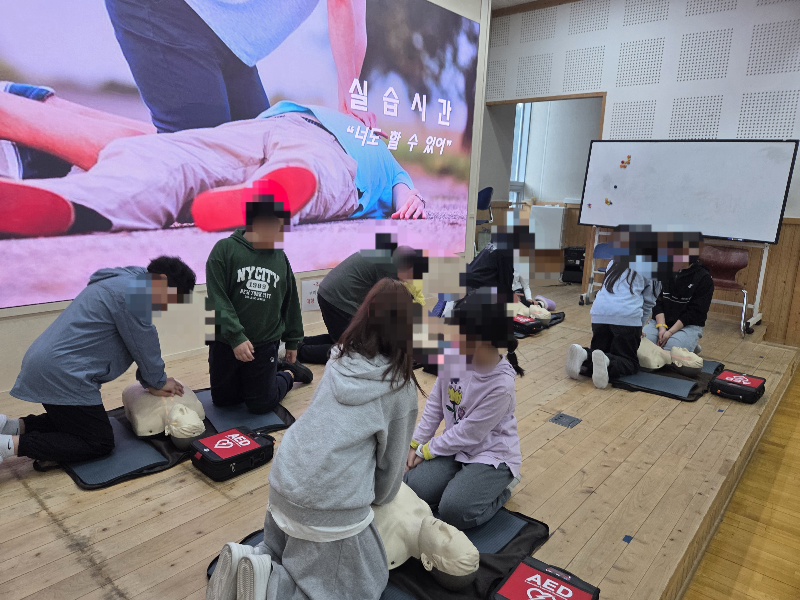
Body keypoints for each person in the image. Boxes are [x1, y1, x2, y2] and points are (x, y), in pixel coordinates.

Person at [206, 278, 421, 600]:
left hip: (283, 479)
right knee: (364, 585)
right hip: (326, 503)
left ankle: (253, 561)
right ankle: (271, 587)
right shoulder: (399, 387)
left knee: (283, 550)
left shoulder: (339, 358)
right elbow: (391, 467)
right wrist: (379, 499)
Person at [0, 92, 428, 237]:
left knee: (308, 167)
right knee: (170, 155)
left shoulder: (388, 163)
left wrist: (413, 200)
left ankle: (267, 197)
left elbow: (406, 196)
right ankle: (73, 200)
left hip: (327, 154)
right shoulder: (326, 111)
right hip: (264, 127)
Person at [0, 257, 196, 465]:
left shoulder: (122, 282)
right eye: (169, 299)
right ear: (162, 280)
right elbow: (144, 343)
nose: (164, 307)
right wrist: (158, 382)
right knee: (99, 441)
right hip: (64, 373)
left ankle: (10, 427)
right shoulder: (135, 292)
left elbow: (138, 342)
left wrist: (151, 381)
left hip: (49, 364)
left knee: (76, 422)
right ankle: (8, 445)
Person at [105, 0, 374, 133]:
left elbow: (355, 22)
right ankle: (71, 134)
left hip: (230, 41)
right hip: (169, 10)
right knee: (205, 159)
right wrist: (352, 102)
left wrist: (351, 104)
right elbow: (341, 4)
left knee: (258, 155)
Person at [404, 289, 524, 531]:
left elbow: (469, 433)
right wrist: (416, 443)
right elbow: (435, 405)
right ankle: (460, 483)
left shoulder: (501, 385)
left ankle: (503, 488)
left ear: (489, 340)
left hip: (491, 455)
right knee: (414, 488)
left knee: (455, 511)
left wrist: (427, 451)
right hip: (455, 447)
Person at [206, 195, 313, 415]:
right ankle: (269, 373)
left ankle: (289, 373)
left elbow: (290, 300)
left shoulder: (280, 258)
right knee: (225, 401)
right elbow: (217, 298)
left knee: (261, 404)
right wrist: (236, 337)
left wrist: (293, 341)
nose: (281, 233)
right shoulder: (224, 250)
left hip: (264, 343)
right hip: (225, 342)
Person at [296, 244, 426, 364]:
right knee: (356, 350)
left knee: (346, 336)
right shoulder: (390, 270)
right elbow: (387, 309)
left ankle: (299, 342)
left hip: (331, 293)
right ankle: (299, 352)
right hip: (339, 299)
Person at [565, 257, 657, 389]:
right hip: (626, 316)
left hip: (599, 314)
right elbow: (649, 303)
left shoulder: (614, 261)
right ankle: (607, 361)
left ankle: (585, 355)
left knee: (599, 354)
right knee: (630, 363)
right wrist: (639, 327)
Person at [643, 234, 713, 353]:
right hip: (661, 322)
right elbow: (656, 301)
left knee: (671, 350)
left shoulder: (703, 278)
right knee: (641, 345)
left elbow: (694, 313)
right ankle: (685, 343)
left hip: (687, 325)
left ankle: (687, 342)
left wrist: (670, 332)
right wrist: (662, 327)